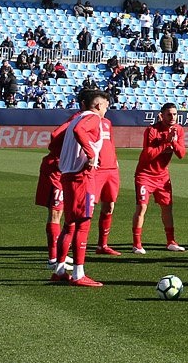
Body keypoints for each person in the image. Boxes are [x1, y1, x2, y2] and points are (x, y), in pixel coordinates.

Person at [51, 89, 110, 286]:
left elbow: (55, 138)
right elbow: (79, 132)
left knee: (70, 225)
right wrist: (90, 155)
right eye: (106, 106)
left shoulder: (76, 118)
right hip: (82, 177)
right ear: (99, 105)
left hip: (68, 175)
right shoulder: (92, 118)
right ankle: (78, 274)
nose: (106, 111)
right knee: (83, 224)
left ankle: (59, 270)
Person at [132, 102, 187, 254]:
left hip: (162, 176)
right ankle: (137, 244)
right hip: (145, 174)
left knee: (167, 208)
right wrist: (165, 142)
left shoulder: (179, 130)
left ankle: (171, 241)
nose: (172, 117)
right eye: (169, 114)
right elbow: (148, 155)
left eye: (175, 114)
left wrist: (174, 142)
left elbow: (182, 154)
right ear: (162, 115)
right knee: (142, 207)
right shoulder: (151, 130)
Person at [36, 107, 78, 273]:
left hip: (68, 169)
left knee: (68, 212)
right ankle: (53, 259)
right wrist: (62, 152)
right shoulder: (78, 118)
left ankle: (60, 253)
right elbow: (55, 136)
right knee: (56, 212)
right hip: (57, 169)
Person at [91, 97, 122, 256]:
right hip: (96, 170)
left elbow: (110, 142)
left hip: (111, 169)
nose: (107, 109)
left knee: (109, 206)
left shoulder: (107, 123)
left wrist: (115, 160)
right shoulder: (86, 121)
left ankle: (102, 245)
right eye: (106, 106)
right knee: (87, 209)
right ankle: (76, 243)